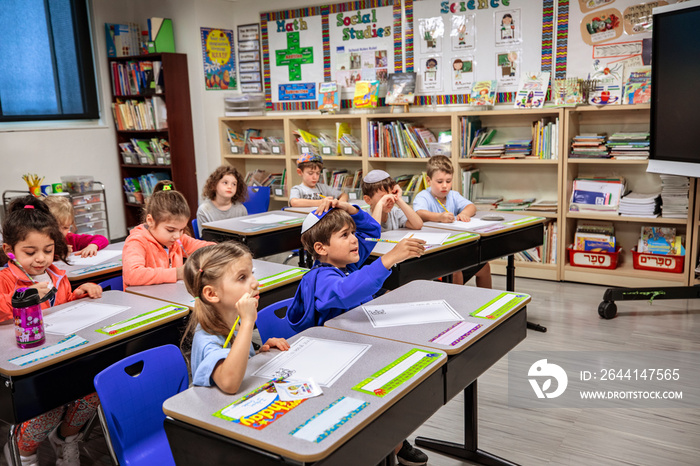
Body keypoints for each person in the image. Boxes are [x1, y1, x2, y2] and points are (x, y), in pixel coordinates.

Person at [286, 199, 428, 466]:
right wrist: (388, 259)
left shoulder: (344, 262)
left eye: (352, 233)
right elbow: (345, 291)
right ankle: (387, 444)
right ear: (321, 248)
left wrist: (349, 209)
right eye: (345, 235)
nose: (354, 240)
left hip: (352, 350)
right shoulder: (320, 278)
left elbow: (372, 231)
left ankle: (393, 441)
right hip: (328, 367)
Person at [0, 196, 102, 466]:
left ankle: (66, 439)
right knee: (52, 403)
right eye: (30, 252)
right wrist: (24, 295)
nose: (41, 259)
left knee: (91, 392)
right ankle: (23, 451)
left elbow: (62, 308)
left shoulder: (56, 274)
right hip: (25, 365)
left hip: (61, 354)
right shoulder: (6, 278)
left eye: (47, 249)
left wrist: (79, 295)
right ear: (9, 250)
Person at [181, 242, 289, 393]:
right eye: (242, 277)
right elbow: (229, 383)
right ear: (212, 294)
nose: (255, 282)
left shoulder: (233, 321)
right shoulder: (207, 340)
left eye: (252, 273)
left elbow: (233, 359)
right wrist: (247, 323)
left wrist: (257, 356)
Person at [413, 155, 492, 288]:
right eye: (439, 181)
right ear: (428, 180)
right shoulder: (423, 196)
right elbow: (419, 213)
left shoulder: (453, 196)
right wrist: (439, 217)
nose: (445, 186)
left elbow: (471, 206)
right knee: (456, 271)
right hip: (434, 252)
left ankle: (489, 305)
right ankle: (456, 302)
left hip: (455, 248)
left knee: (484, 267)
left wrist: (463, 214)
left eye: (448, 181)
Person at [122, 187, 214, 287]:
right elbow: (132, 275)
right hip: (142, 299)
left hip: (169, 296)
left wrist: (224, 250)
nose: (177, 236)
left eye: (181, 229)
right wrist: (177, 273)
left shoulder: (178, 239)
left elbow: (206, 248)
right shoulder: (137, 242)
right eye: (170, 230)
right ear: (150, 221)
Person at [43, 195, 108, 258]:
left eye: (65, 227)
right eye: (56, 227)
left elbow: (102, 239)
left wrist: (93, 245)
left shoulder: (71, 239)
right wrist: (57, 256)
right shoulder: (40, 243)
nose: (61, 232)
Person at [196, 166, 248, 237]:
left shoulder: (241, 209)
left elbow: (245, 236)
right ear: (214, 185)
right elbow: (206, 239)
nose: (230, 186)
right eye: (225, 182)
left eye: (234, 184)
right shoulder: (204, 210)